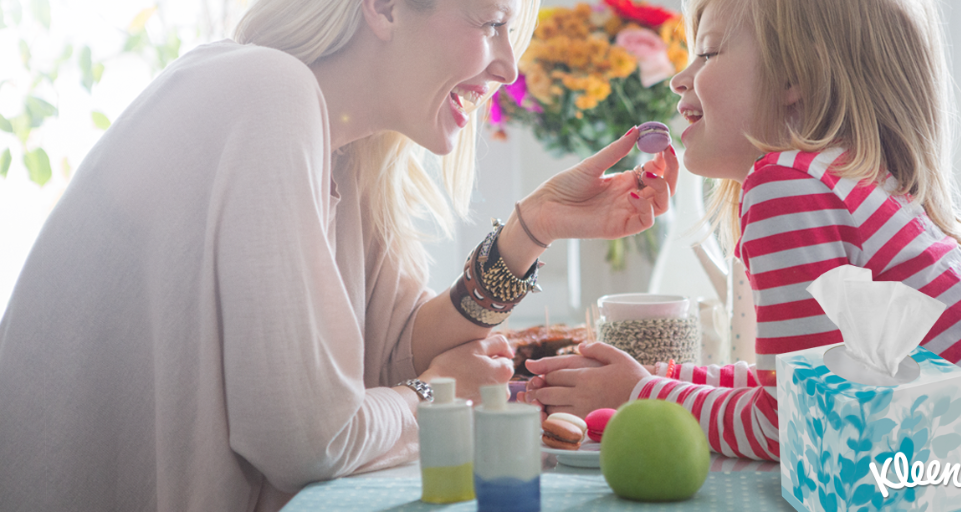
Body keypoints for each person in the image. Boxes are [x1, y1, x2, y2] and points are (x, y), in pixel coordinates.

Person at [0, 0, 679, 509]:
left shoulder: (344, 149)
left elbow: (398, 347)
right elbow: (310, 440)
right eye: (492, 21)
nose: (508, 67)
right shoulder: (265, 92)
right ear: (384, 6)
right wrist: (438, 398)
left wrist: (533, 229)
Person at [519, 0, 961, 510]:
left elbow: (792, 427)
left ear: (794, 76)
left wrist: (637, 395)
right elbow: (800, 382)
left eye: (709, 53)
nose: (680, 79)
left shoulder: (788, 187)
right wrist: (665, 377)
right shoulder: (848, 179)